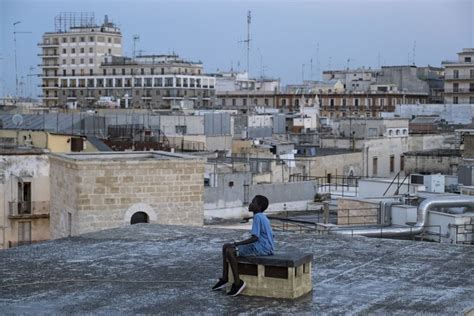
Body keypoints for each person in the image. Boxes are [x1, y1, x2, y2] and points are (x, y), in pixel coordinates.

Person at [212, 195, 274, 297]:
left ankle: (238, 283)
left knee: (230, 250)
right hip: (266, 247)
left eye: (253, 202)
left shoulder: (258, 217)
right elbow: (263, 227)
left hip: (261, 248)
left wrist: (237, 244)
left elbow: (255, 238)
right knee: (225, 246)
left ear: (259, 206)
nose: (250, 204)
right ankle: (224, 278)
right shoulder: (262, 216)